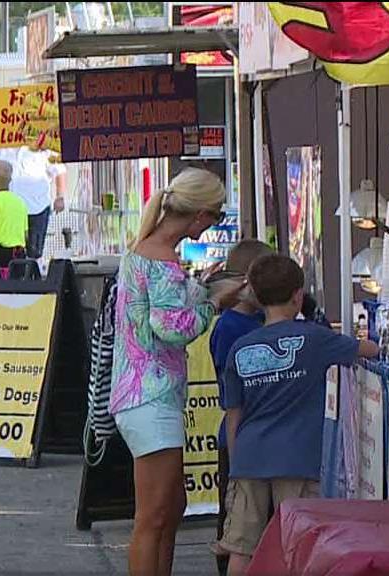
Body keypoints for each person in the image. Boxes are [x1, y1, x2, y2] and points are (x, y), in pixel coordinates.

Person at [109, 167, 242, 576]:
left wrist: (200, 290)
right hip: (151, 396)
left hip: (140, 394)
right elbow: (171, 328)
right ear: (199, 215)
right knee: (153, 516)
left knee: (171, 507)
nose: (215, 224)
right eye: (216, 216)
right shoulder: (163, 260)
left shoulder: (143, 250)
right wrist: (211, 306)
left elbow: (160, 311)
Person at [218, 254, 380, 575]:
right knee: (300, 545)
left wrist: (237, 463)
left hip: (249, 458)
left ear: (259, 298)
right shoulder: (315, 339)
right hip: (300, 458)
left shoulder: (241, 348)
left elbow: (233, 413)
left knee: (241, 546)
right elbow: (369, 350)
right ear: (297, 295)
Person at [207, 239, 274, 576]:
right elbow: (232, 387)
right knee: (235, 523)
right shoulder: (230, 328)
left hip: (259, 436)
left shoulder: (262, 319)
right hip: (237, 437)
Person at [0, 145, 66, 260]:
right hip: (10, 211)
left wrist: (60, 196)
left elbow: (59, 170)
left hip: (37, 209)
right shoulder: (3, 148)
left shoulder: (44, 145)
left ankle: (31, 275)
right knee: (12, 253)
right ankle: (15, 276)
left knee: (34, 252)